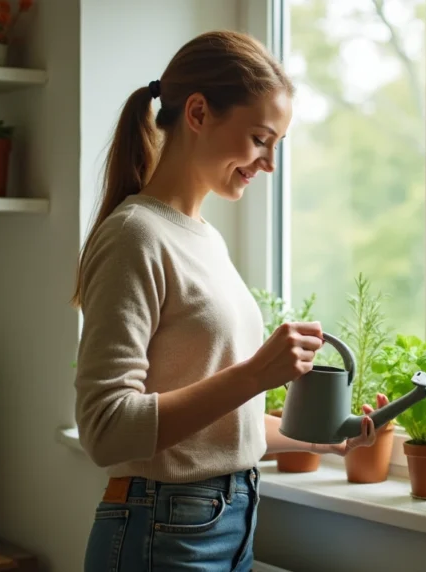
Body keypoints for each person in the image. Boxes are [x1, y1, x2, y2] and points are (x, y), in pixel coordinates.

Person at [71, 30, 388, 572]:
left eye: (277, 145)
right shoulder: (134, 236)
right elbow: (105, 429)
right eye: (261, 139)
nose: (269, 163)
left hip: (225, 523)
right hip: (162, 533)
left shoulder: (205, 239)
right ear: (198, 113)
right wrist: (257, 373)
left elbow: (214, 429)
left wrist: (325, 440)